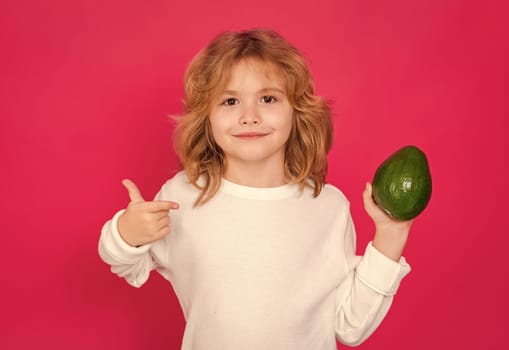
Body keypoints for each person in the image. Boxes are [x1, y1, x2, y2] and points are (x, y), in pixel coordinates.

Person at [98, 28, 413, 350]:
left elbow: (350, 326)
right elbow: (126, 263)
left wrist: (391, 234)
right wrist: (126, 232)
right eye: (230, 101)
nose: (250, 116)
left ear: (296, 111)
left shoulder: (328, 206)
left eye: (268, 99)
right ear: (207, 116)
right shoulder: (183, 196)